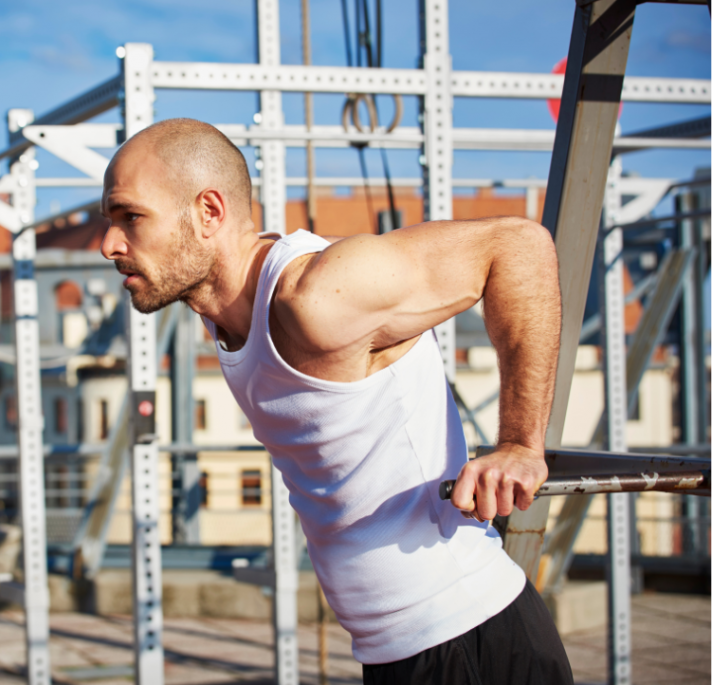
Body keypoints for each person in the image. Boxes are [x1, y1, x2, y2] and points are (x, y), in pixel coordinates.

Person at [100, 118, 572, 684]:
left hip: (468, 640)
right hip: (394, 652)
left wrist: (521, 443)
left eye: (130, 216)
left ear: (209, 212)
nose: (110, 244)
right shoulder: (226, 318)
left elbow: (517, 246)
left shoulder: (317, 297)